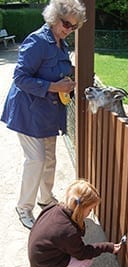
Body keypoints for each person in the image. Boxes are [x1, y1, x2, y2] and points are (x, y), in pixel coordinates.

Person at [0, 0, 86, 229]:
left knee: (49, 159)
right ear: (53, 18)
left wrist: (67, 81)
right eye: (66, 23)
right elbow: (20, 78)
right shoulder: (37, 40)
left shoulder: (61, 44)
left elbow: (56, 71)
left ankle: (46, 200)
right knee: (36, 160)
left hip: (48, 112)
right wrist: (54, 87)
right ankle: (23, 207)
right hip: (27, 111)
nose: (69, 29)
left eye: (74, 27)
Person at [28, 179, 122, 267]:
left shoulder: (54, 207)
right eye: (90, 209)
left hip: (39, 257)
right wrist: (107, 247)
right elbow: (82, 254)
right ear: (80, 209)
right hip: (43, 265)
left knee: (72, 250)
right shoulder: (69, 231)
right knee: (86, 261)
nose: (90, 212)